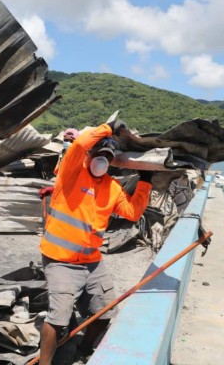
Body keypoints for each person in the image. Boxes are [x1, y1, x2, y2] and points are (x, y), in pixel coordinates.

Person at [37, 120, 153, 365]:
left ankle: (84, 349)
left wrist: (145, 181)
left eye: (107, 157)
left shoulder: (112, 187)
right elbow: (79, 143)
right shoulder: (71, 172)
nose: (102, 160)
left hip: (92, 261)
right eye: (98, 154)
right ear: (89, 156)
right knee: (58, 317)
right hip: (60, 260)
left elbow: (132, 213)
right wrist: (108, 127)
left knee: (105, 311)